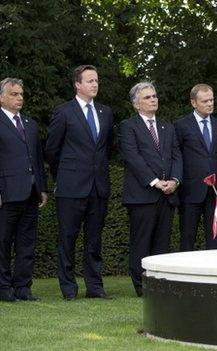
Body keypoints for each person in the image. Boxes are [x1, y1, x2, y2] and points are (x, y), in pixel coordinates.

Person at [45, 65, 115, 300]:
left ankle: (95, 287)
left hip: (98, 186)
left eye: (96, 80)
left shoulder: (105, 112)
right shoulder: (64, 112)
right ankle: (69, 289)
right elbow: (52, 150)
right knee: (68, 239)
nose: (95, 84)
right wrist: (64, 175)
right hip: (71, 187)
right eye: (89, 81)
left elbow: (107, 148)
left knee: (94, 239)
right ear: (77, 84)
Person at [118, 82, 182, 297]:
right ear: (136, 104)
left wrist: (174, 180)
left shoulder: (167, 126)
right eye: (147, 97)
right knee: (141, 243)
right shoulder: (128, 126)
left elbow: (176, 156)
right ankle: (141, 286)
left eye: (154, 95)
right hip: (143, 196)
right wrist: (155, 182)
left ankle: (159, 286)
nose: (153, 99)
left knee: (162, 243)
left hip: (167, 194)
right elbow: (132, 158)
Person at [0, 78, 48, 302]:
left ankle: (23, 287)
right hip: (7, 193)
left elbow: (37, 159)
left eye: (21, 94)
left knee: (26, 243)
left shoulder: (29, 124)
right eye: (14, 94)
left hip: (30, 193)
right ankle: (3, 288)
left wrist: (43, 188)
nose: (19, 98)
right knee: (3, 242)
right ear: (2, 97)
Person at [174, 84, 217, 250]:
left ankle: (214, 274)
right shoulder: (181, 125)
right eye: (205, 101)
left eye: (211, 100)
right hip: (190, 190)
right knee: (188, 237)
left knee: (215, 238)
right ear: (193, 103)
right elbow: (177, 156)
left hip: (215, 190)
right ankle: (185, 275)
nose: (210, 103)